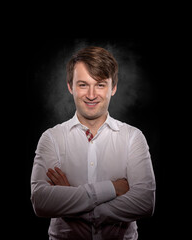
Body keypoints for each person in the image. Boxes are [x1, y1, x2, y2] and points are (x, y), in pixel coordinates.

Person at [30, 46, 156, 240]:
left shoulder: (133, 137)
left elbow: (145, 203)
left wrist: (72, 200)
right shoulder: (51, 138)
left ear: (113, 88)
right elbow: (41, 202)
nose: (91, 94)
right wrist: (113, 189)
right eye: (82, 85)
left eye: (100, 85)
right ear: (70, 86)